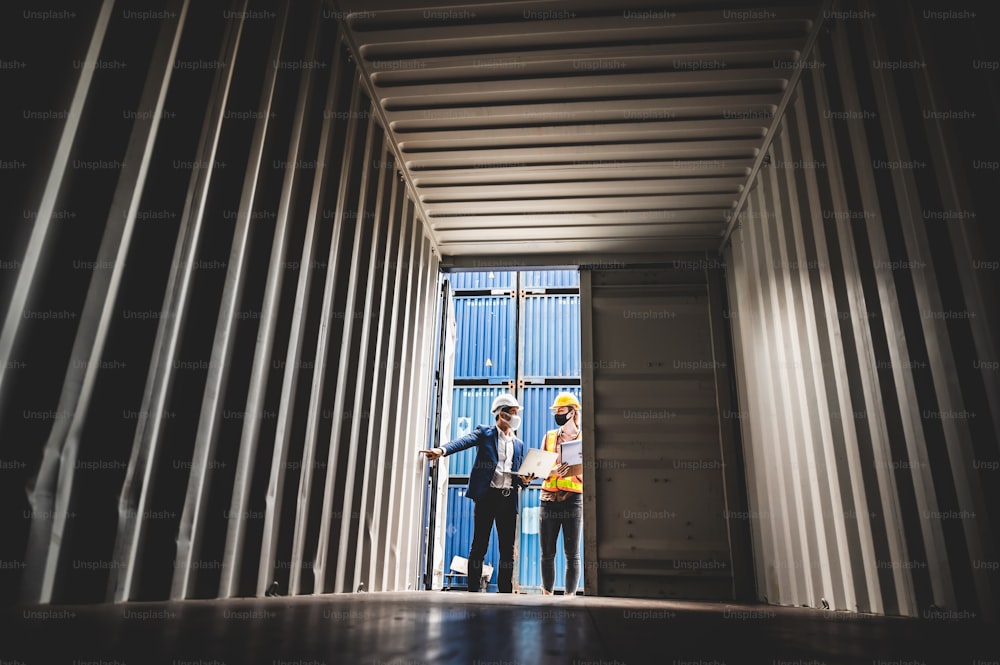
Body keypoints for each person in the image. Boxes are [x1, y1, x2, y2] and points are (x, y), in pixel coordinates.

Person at [420, 394, 535, 592]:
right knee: (479, 545)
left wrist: (524, 480)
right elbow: (463, 441)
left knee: (507, 550)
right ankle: (473, 591)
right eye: (513, 412)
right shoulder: (485, 433)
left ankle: (505, 592)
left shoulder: (519, 444)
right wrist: (441, 450)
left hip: (508, 499)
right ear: (502, 414)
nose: (517, 417)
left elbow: (518, 475)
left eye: (517, 413)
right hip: (487, 498)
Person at [539, 392, 583, 597]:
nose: (557, 414)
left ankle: (570, 598)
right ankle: (546, 595)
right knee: (547, 553)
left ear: (572, 412)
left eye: (561, 410)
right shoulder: (549, 437)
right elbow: (539, 469)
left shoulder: (585, 438)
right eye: (555, 411)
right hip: (548, 499)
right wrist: (554, 471)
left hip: (573, 499)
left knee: (572, 555)